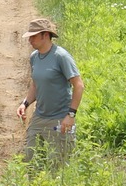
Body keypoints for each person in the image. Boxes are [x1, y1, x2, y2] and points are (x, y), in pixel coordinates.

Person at [17, 17, 84, 164]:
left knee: (59, 164)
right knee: (30, 158)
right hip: (40, 117)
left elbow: (78, 85)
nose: (30, 40)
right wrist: (25, 104)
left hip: (60, 119)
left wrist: (70, 115)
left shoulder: (61, 56)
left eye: (33, 36)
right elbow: (35, 85)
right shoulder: (34, 57)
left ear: (45, 35)